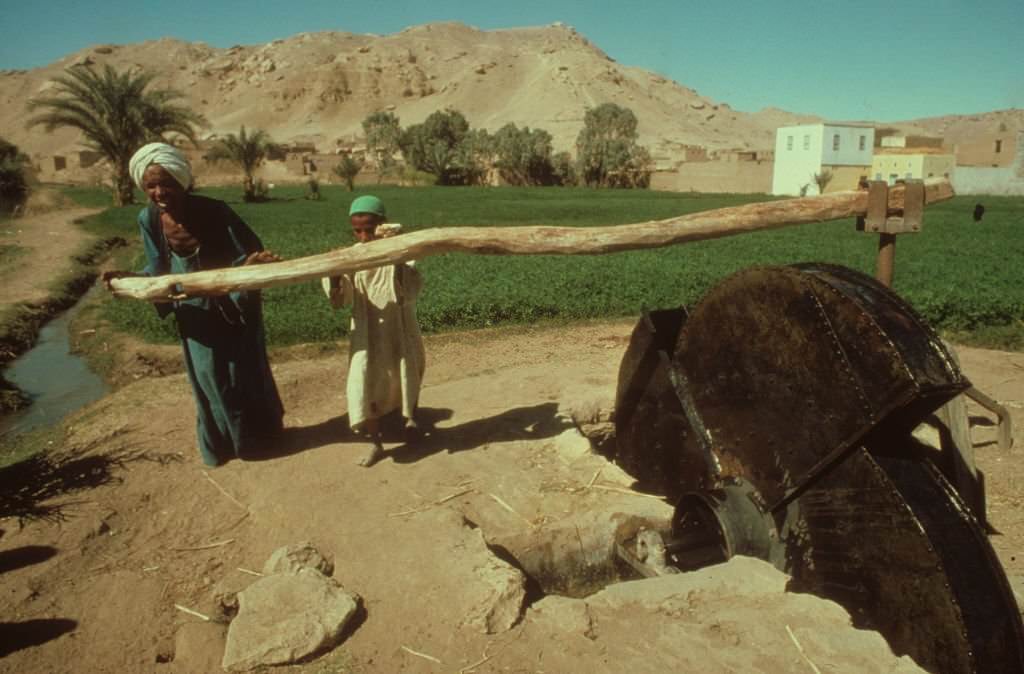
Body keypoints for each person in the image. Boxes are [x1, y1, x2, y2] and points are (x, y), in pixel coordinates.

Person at [103, 142, 284, 467]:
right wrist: (132, 278)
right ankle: (223, 445)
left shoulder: (215, 210)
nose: (159, 192)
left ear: (181, 181)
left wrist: (250, 264)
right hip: (192, 310)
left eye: (166, 183)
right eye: (151, 185)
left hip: (233, 305)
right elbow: (158, 268)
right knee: (208, 374)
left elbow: (247, 249)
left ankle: (262, 440)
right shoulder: (149, 219)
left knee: (242, 370)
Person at [322, 195, 425, 467]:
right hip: (366, 330)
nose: (364, 236)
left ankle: (410, 421)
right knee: (363, 380)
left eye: (370, 228)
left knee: (407, 372)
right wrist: (334, 270)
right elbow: (339, 301)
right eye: (358, 230)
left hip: (399, 325)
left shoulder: (400, 252)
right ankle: (375, 442)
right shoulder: (353, 255)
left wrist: (400, 256)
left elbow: (410, 292)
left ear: (383, 225)